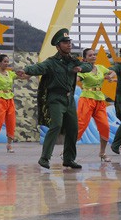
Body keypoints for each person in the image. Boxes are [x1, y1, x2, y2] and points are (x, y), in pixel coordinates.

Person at [17, 28, 92, 169]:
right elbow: (38, 67)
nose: (69, 44)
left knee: (73, 128)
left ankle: (69, 159)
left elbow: (88, 65)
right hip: (55, 98)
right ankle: (44, 158)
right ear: (58, 46)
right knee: (56, 125)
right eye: (65, 42)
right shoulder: (51, 62)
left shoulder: (73, 62)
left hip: (69, 100)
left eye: (69, 41)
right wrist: (26, 70)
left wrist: (81, 69)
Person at [76, 48, 116, 162]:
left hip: (99, 100)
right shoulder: (83, 70)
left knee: (105, 126)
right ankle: (67, 151)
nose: (93, 56)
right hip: (86, 99)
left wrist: (111, 76)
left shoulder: (100, 68)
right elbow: (76, 78)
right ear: (84, 58)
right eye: (90, 55)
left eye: (94, 55)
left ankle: (102, 153)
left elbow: (113, 71)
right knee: (80, 126)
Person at [0, 54, 27, 154]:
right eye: (4, 61)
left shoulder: (10, 74)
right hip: (0, 99)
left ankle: (9, 145)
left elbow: (23, 77)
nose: (6, 63)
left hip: (10, 100)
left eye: (7, 61)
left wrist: (33, 71)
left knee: (11, 122)